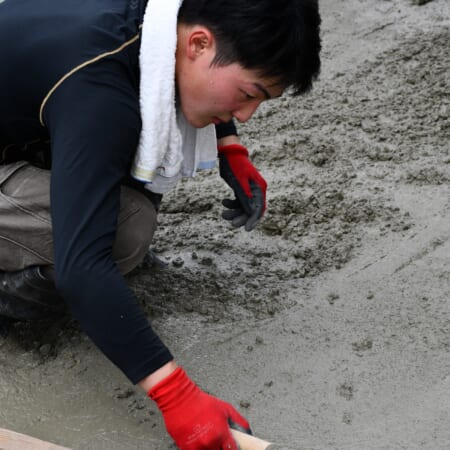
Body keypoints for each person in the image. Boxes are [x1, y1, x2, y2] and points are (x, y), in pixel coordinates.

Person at [0, 0, 321, 448]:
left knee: (128, 173)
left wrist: (229, 143)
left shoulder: (160, 19)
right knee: (122, 231)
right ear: (199, 44)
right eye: (249, 95)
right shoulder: (101, 90)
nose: (247, 114)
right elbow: (83, 268)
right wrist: (177, 396)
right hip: (71, 100)